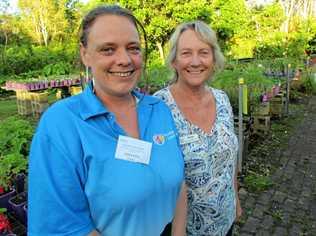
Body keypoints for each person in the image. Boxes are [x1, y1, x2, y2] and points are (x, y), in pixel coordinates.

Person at [28, 5, 184, 236]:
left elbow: (179, 185)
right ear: (85, 54)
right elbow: (64, 227)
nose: (124, 59)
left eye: (133, 48)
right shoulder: (62, 124)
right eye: (108, 49)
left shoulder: (159, 110)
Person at [154, 21, 242, 236]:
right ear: (174, 60)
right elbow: (158, 177)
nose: (195, 62)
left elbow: (229, 160)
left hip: (225, 222)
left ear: (213, 59)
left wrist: (236, 199)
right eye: (186, 53)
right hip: (182, 230)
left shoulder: (222, 100)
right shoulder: (159, 107)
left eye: (203, 52)